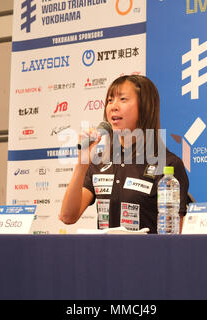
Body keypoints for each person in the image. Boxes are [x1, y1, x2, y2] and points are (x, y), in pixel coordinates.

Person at [59, 75, 190, 233]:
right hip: (104, 256)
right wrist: (82, 165)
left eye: (122, 99)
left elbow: (174, 237)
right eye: (110, 100)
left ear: (145, 107)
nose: (113, 106)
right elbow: (68, 216)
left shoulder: (168, 164)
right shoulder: (99, 161)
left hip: (148, 256)